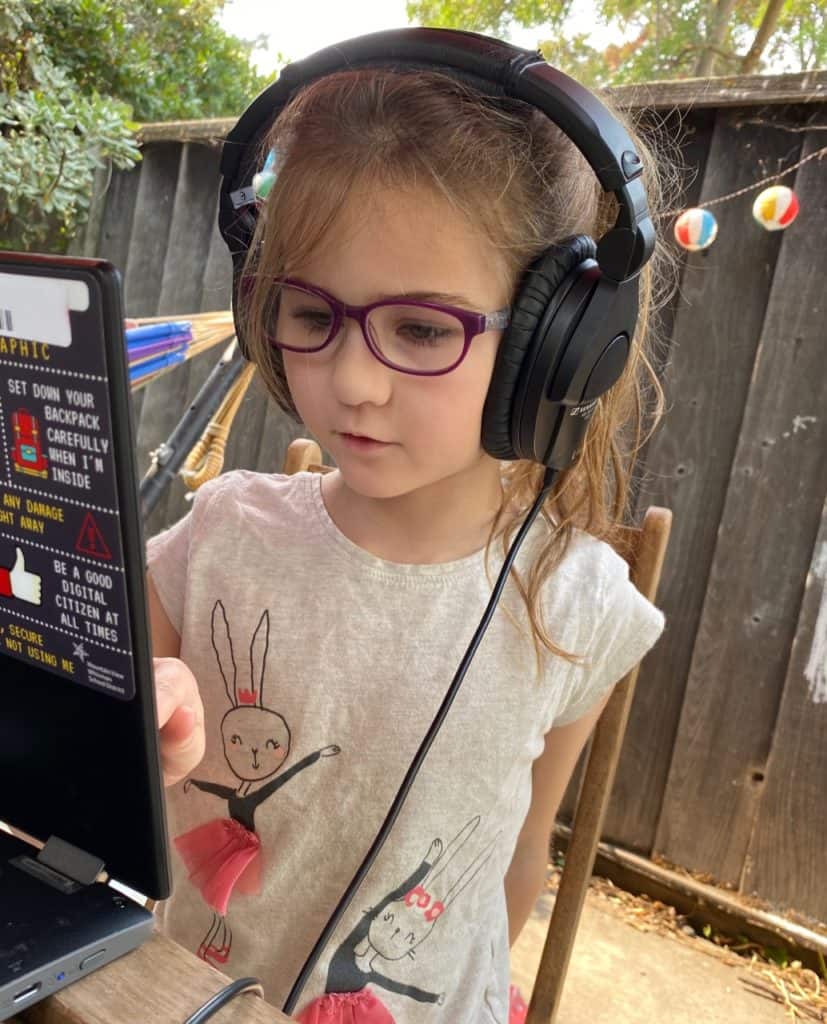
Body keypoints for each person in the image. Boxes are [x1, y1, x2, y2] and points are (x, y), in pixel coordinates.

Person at [146, 48, 672, 1024]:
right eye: (311, 312)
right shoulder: (221, 534)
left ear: (555, 343)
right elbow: (95, 721)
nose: (352, 380)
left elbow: (515, 858)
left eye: (422, 330)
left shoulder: (575, 607)